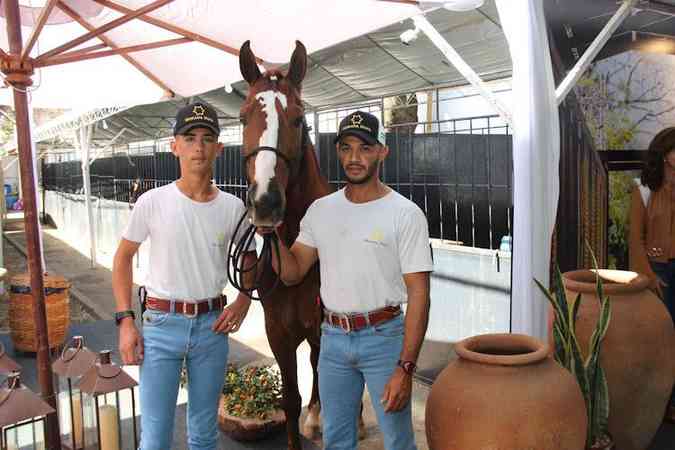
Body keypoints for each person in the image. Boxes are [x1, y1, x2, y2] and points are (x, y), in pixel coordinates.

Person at [260, 111, 433, 450]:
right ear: (338, 151)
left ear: (383, 152)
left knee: (398, 440)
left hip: (383, 338)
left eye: (365, 148)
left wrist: (406, 367)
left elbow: (419, 295)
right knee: (336, 439)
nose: (354, 158)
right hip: (333, 340)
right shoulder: (321, 211)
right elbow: (294, 271)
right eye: (346, 147)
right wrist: (269, 234)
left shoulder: (405, 214)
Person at [112, 101, 256, 450]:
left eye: (208, 138)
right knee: (156, 437)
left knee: (204, 434)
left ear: (219, 149)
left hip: (212, 328)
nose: (198, 146)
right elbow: (122, 258)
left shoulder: (232, 208)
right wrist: (126, 321)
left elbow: (250, 256)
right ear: (174, 146)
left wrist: (243, 299)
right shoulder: (153, 202)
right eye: (189, 137)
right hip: (162, 325)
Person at [629, 126, 675, 422]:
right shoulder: (643, 188)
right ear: (666, 155)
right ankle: (658, 405)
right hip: (658, 272)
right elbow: (635, 239)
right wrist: (648, 275)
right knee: (662, 339)